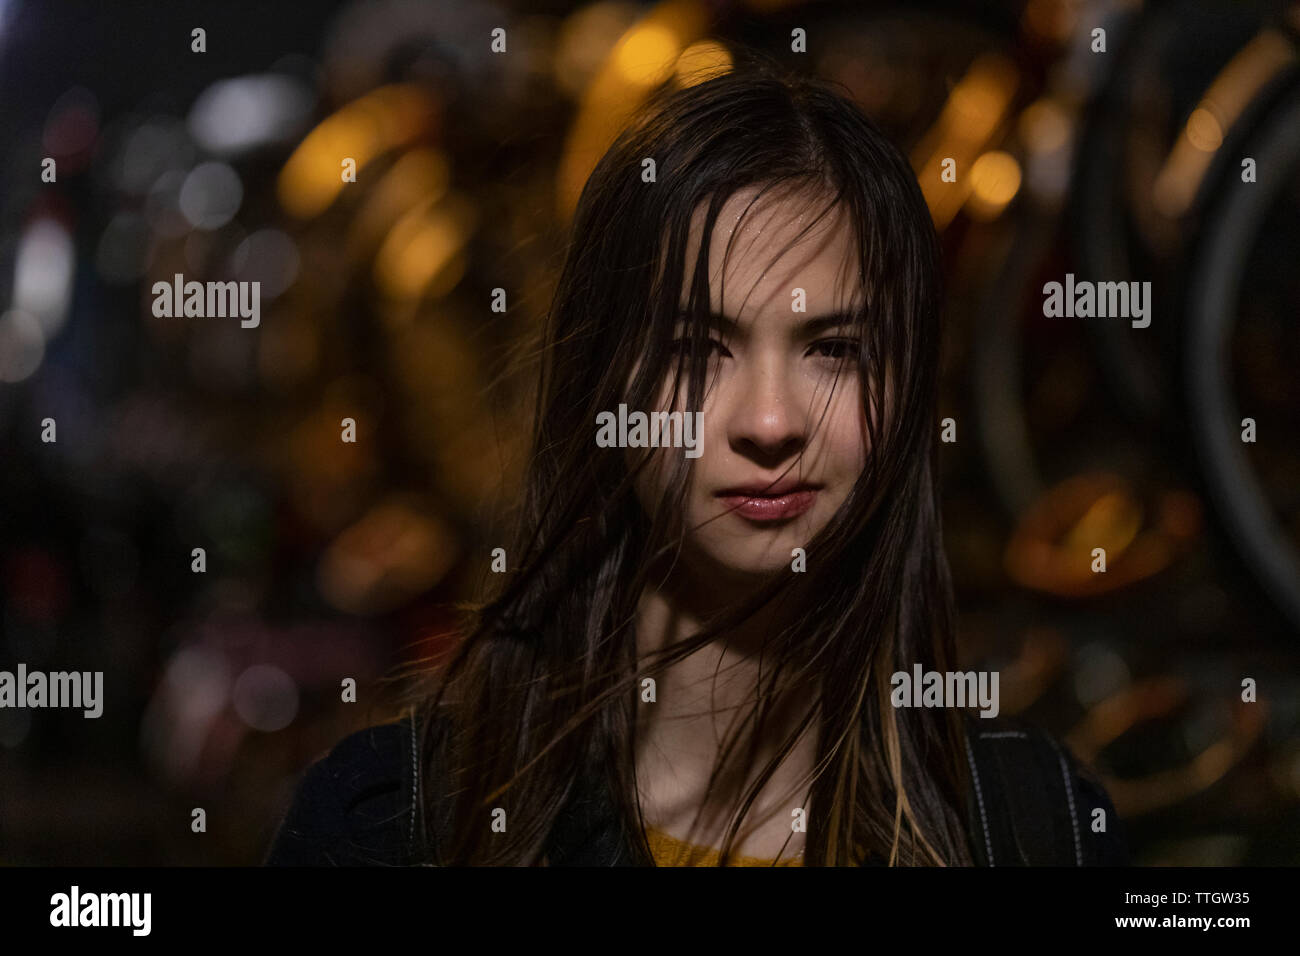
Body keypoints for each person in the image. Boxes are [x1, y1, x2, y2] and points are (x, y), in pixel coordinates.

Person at [266, 55, 1128, 867]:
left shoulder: (1032, 827)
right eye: (696, 348)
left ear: (907, 394)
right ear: (602, 384)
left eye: (833, 349)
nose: (768, 419)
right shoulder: (395, 827)